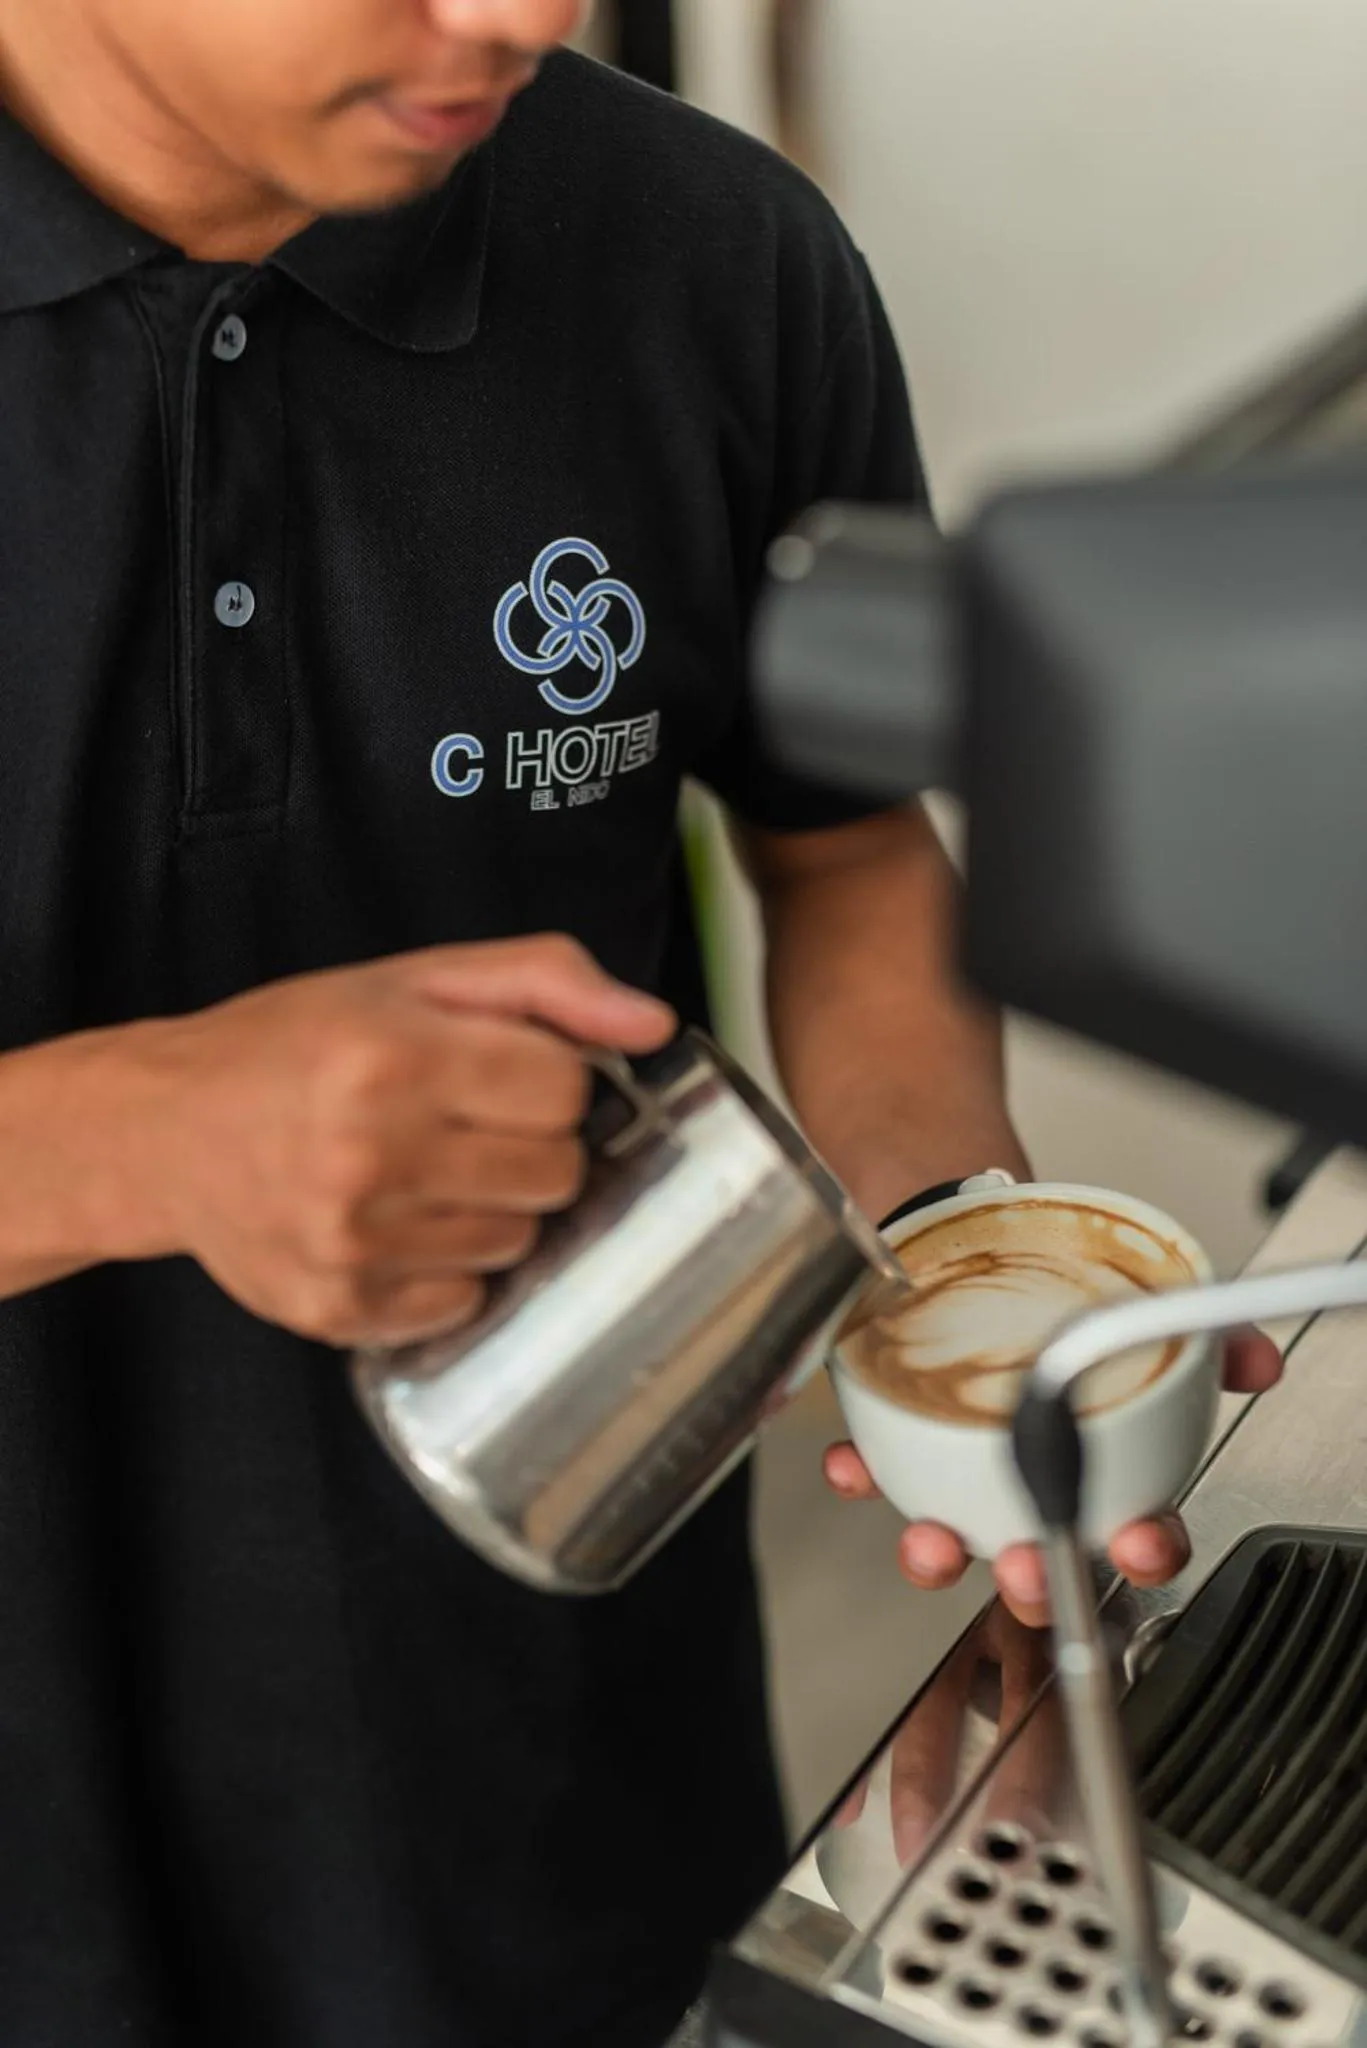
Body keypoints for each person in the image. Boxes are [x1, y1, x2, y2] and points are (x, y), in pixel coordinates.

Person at [0, 2, 1280, 2042]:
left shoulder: (709, 255)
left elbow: (845, 855)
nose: (527, 11)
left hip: (542, 1782)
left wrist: (955, 1268)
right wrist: (112, 1141)